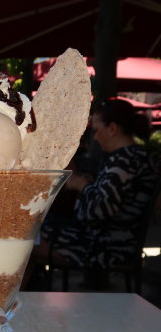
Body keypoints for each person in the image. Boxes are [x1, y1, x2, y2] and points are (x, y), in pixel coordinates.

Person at [31, 97, 159, 273]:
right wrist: (88, 184)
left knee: (24, 240)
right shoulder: (134, 157)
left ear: (112, 129)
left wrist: (81, 185)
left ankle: (17, 296)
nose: (95, 137)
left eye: (97, 130)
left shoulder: (124, 161)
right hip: (113, 240)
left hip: (106, 246)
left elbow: (99, 210)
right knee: (29, 234)